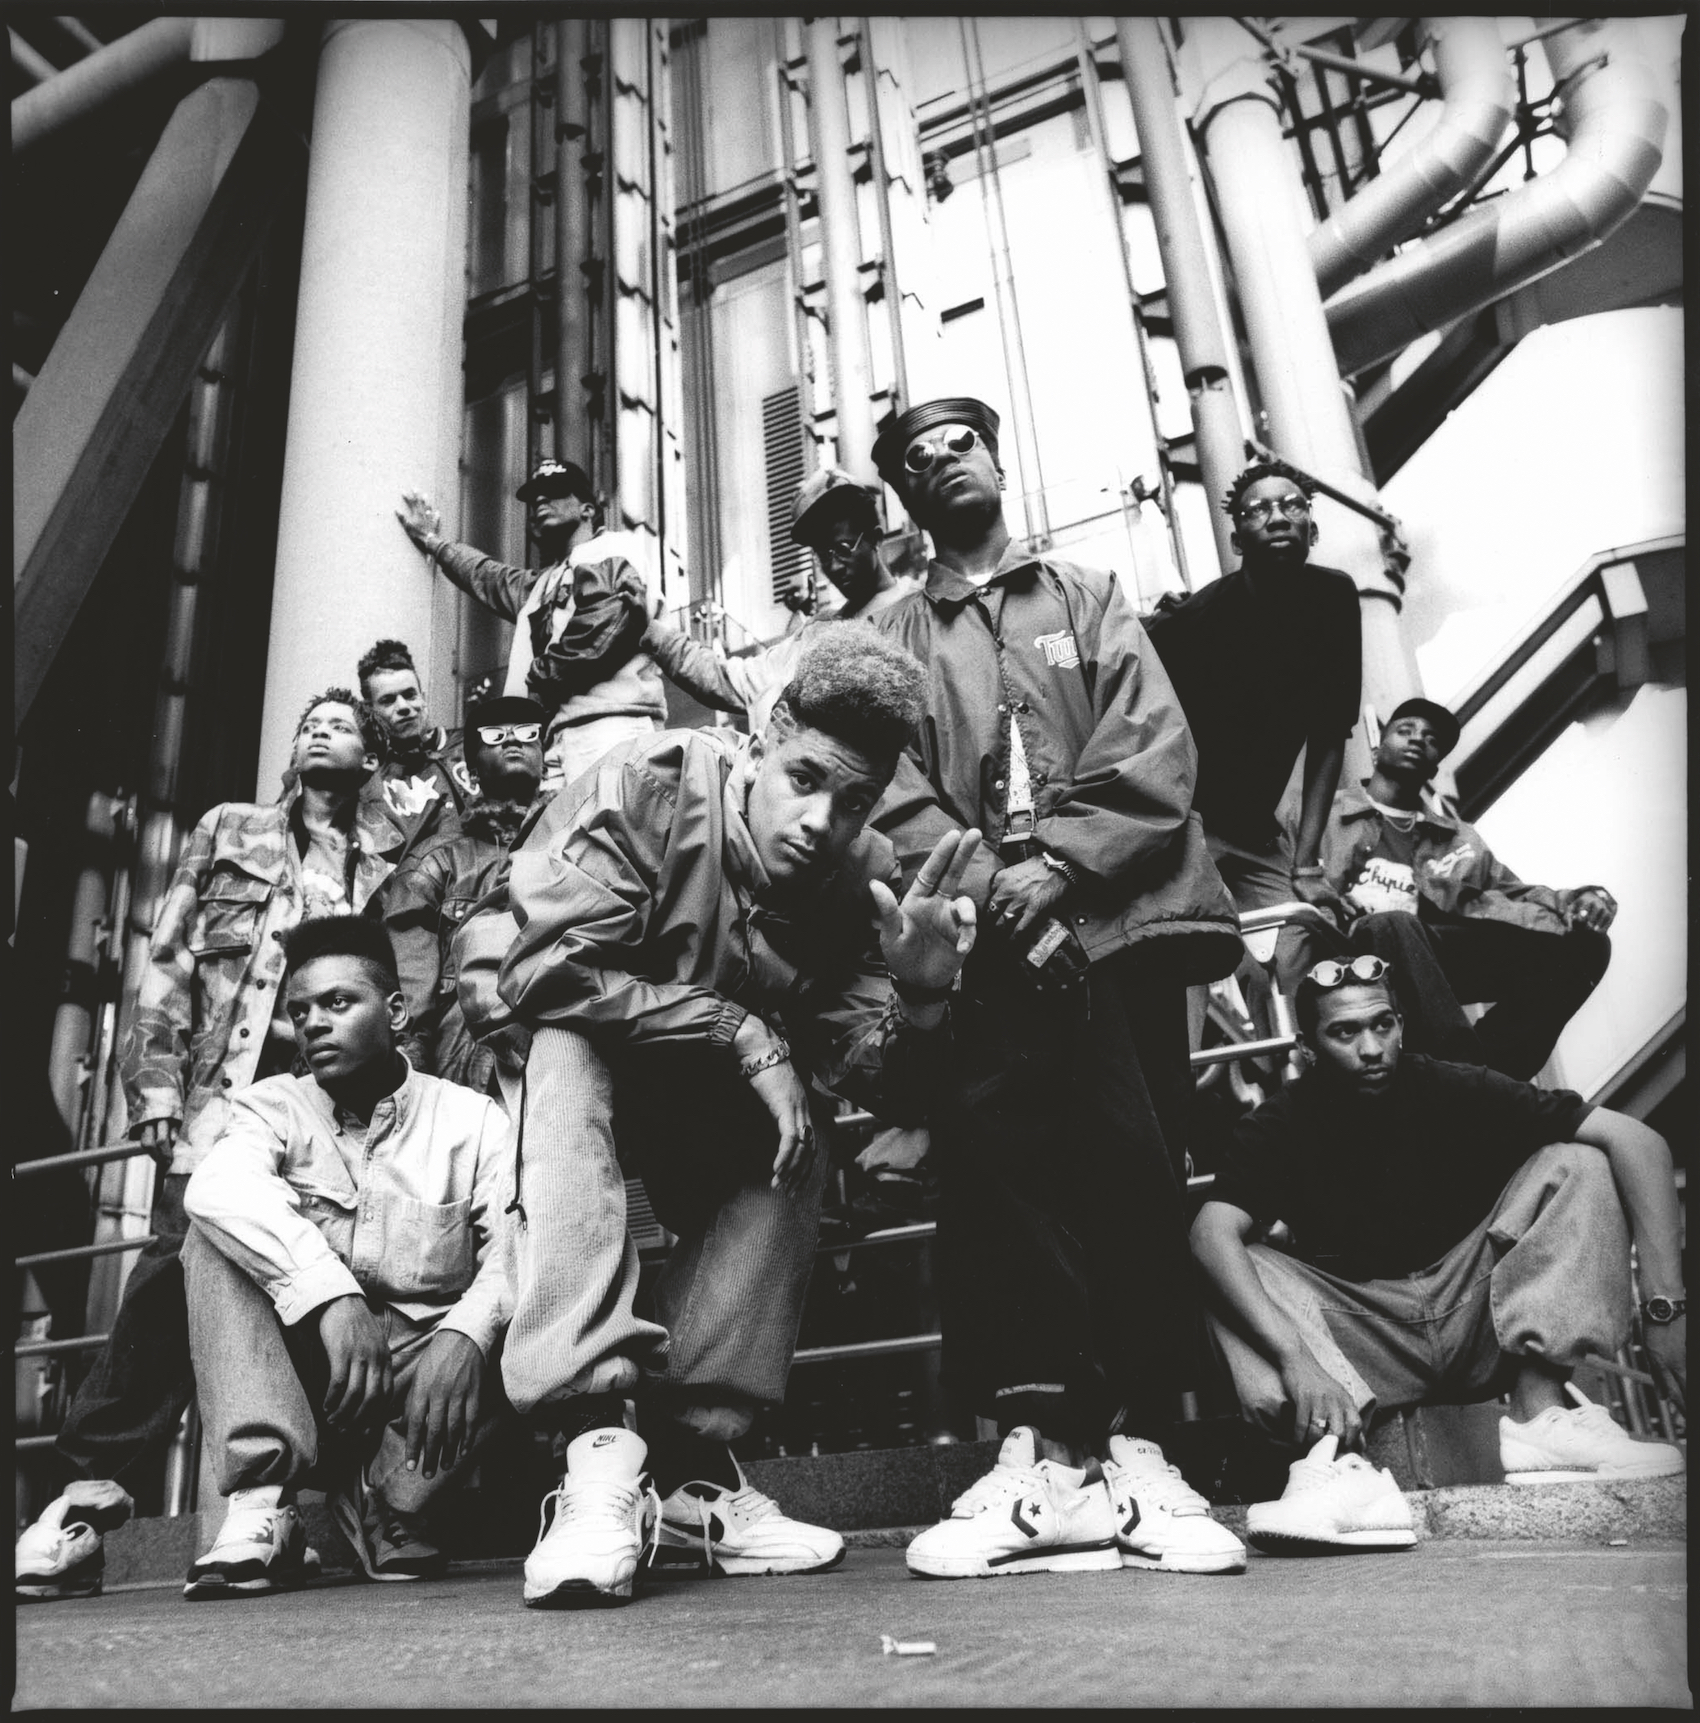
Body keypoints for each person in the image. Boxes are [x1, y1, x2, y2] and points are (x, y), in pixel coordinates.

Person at [453, 625, 985, 1607]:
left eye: (852, 800)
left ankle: (693, 1472)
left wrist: (920, 1001)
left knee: (800, 1134)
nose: (820, 821)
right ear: (759, 736)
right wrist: (739, 1029)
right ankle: (597, 1448)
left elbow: (877, 1075)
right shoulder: (650, 778)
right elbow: (539, 972)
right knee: (565, 1042)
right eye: (805, 777)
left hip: (700, 1107)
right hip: (583, 1086)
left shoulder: (855, 873)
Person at [867, 396, 1248, 1581]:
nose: (943, 463)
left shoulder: (1085, 591)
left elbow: (1153, 743)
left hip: (1118, 926)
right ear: (905, 496)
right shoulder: (889, 629)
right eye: (917, 458)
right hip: (990, 942)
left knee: (1130, 1165)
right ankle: (1039, 1450)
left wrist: (1058, 863)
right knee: (998, 1173)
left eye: (958, 444)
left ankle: (1141, 1447)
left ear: (992, 459)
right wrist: (994, 882)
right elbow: (887, 785)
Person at [15, 691, 404, 1603]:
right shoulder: (231, 827)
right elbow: (171, 953)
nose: (319, 731)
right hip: (224, 1110)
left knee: (323, 1286)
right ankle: (84, 1502)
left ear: (371, 759)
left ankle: (288, 1515)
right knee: (170, 1276)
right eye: (311, 722)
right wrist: (153, 1083)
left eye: (342, 726)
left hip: (333, 1125)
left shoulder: (390, 860)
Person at [1190, 954, 1685, 1554]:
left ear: (1401, 1023)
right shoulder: (1281, 1121)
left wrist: (1664, 1313)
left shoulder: (1453, 1085)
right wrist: (1295, 1357)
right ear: (1308, 1046)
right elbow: (1209, 1232)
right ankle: (1341, 1464)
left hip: (1476, 1314)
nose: (1370, 1047)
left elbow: (1639, 1139)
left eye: (1382, 1025)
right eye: (1344, 1032)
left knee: (1581, 1161)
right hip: (1366, 1339)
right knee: (1229, 1260)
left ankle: (1541, 1420)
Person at [179, 916, 514, 1596]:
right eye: (301, 1010)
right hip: (316, 1384)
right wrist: (331, 1293)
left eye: (338, 1002)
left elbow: (516, 1247)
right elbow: (216, 1185)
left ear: (394, 1011)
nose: (314, 1024)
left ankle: (392, 1503)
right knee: (211, 1238)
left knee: (517, 1313)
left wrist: (466, 1333)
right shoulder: (271, 1106)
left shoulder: (472, 1120)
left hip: (423, 1392)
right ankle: (265, 1503)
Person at [1314, 696, 1617, 1080]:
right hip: (1349, 952)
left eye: (1431, 739)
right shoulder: (1327, 812)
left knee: (1586, 944)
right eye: (1405, 730)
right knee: (1391, 925)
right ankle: (1458, 1072)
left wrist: (1582, 900)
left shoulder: (1457, 838)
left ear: (1435, 764)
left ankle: (1492, 1067)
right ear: (1377, 747)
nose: (1417, 740)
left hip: (1433, 952)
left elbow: (1514, 894)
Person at [1144, 457, 1362, 987]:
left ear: (1312, 526)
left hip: (1258, 833)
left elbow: (1329, 736)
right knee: (1185, 958)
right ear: (1238, 539)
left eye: (1292, 505)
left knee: (1307, 949)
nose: (1278, 516)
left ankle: (1302, 1062)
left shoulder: (1334, 598)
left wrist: (1308, 865)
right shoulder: (1198, 618)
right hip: (1187, 826)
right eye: (1258, 509)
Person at [396, 458, 661, 795]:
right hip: (555, 739)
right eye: (533, 498)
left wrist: (534, 684)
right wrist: (433, 542)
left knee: (615, 840)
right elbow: (488, 576)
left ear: (588, 509)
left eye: (552, 493)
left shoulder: (613, 548)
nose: (538, 502)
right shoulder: (544, 584)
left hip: (610, 725)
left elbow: (603, 628)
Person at [642, 466, 914, 736]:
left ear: (875, 539)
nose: (834, 565)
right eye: (823, 554)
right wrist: (656, 635)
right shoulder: (817, 632)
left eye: (843, 548)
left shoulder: (916, 611)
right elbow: (734, 681)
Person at [384, 694, 547, 1095]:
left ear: (546, 758)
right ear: (471, 771)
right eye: (495, 736)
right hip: (466, 1064)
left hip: (558, 1049)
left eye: (527, 734)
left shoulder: (578, 847)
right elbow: (410, 992)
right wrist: (412, 1083)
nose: (512, 740)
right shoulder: (436, 859)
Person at [357, 638, 476, 865]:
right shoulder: (367, 777)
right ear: (371, 710)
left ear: (423, 697)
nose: (403, 707)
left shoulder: (469, 747)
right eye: (388, 700)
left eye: (410, 695)